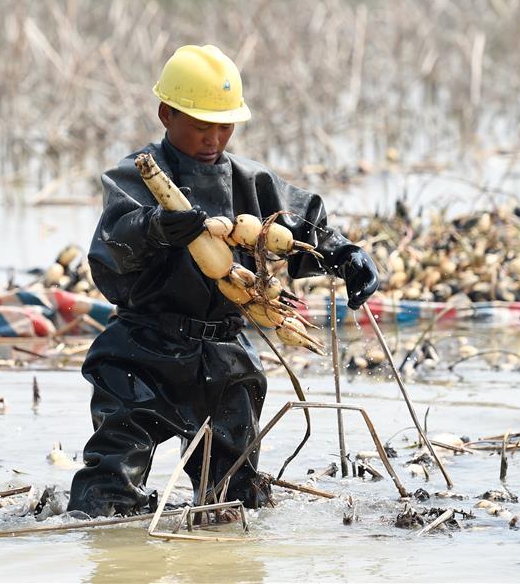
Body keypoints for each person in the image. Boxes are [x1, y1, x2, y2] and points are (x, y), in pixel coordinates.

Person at [67, 44, 379, 517]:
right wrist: (154, 226)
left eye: (224, 125)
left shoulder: (250, 182)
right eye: (200, 125)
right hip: (143, 348)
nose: (214, 138)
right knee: (110, 488)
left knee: (233, 499)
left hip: (224, 354)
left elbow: (301, 227)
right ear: (166, 114)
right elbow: (111, 248)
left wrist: (344, 254)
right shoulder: (135, 176)